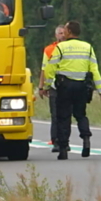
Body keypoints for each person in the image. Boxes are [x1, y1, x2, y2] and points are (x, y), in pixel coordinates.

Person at [42, 20, 101, 159]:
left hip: (65, 86)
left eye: (65, 29)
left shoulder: (61, 47)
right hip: (82, 86)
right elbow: (94, 69)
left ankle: (63, 149)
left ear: (69, 32)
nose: (63, 31)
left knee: (63, 117)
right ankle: (86, 139)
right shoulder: (88, 47)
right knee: (81, 114)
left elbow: (50, 68)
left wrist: (46, 86)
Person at [38, 25, 67, 153]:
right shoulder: (49, 50)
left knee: (66, 115)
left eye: (64, 33)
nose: (62, 35)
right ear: (56, 35)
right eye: (60, 33)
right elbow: (44, 69)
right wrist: (41, 87)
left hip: (67, 85)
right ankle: (55, 141)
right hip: (54, 86)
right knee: (55, 115)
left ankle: (65, 141)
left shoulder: (71, 48)